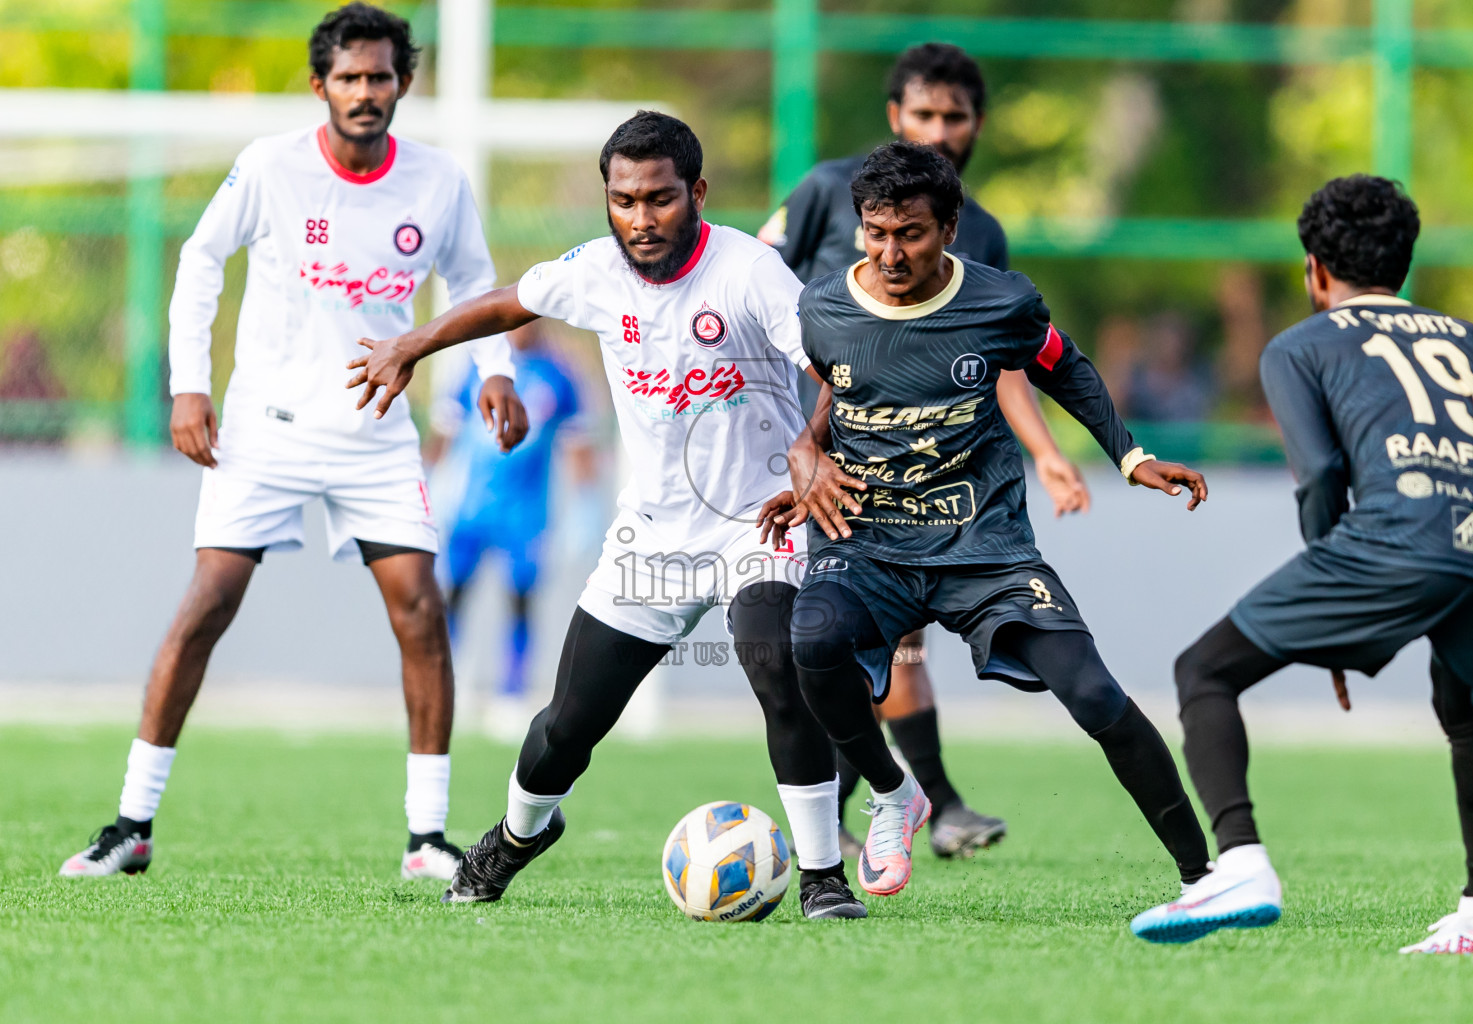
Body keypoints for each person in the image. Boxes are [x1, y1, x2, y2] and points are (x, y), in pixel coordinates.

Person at [348, 111, 867, 919]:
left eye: (659, 199)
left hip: (758, 521)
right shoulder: (596, 271)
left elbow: (839, 363)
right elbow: (504, 305)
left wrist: (809, 443)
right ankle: (517, 838)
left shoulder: (750, 272)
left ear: (695, 192)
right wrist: (413, 345)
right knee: (567, 726)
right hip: (652, 536)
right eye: (622, 200)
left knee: (775, 662)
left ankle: (824, 874)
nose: (640, 218)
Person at [58, 3, 525, 884]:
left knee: (421, 610)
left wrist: (493, 370)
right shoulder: (271, 167)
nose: (364, 92)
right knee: (206, 607)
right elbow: (201, 261)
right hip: (266, 429)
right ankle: (131, 825)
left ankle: (427, 838)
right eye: (348, 77)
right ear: (320, 86)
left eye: (379, 76)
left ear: (403, 84)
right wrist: (187, 385)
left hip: (376, 435)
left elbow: (472, 282)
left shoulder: (436, 181)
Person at [762, 141, 1213, 899]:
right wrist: (806, 454)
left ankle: (1207, 876)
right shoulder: (823, 307)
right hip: (869, 541)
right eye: (876, 233)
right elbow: (836, 386)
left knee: (1096, 695)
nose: (891, 252)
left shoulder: (1000, 302)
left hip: (985, 546)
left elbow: (1062, 363)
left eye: (911, 233)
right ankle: (895, 792)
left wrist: (1130, 458)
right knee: (809, 638)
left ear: (951, 225)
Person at [1132, 175, 1473, 955]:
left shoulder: (1300, 346)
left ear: (1315, 268)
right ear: (1404, 265)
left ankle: (1242, 863)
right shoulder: (1468, 337)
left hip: (1394, 539)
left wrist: (1334, 584)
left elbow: (1319, 475)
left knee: (1203, 672)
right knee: (1465, 705)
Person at [760, 42, 1090, 859]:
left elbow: (1000, 357)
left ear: (977, 124)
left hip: (930, 463)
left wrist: (1045, 450)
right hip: (829, 458)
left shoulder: (979, 231)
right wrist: (784, 431)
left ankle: (890, 811)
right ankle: (925, 805)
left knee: (878, 648)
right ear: (893, 118)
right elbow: (753, 286)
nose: (939, 130)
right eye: (924, 114)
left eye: (955, 116)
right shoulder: (826, 192)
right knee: (848, 645)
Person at [430, 326, 589, 733]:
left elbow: (580, 444)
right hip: (471, 507)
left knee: (520, 601)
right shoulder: (477, 368)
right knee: (453, 596)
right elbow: (443, 432)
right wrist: (425, 484)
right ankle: (447, 686)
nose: (520, 328)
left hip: (527, 514)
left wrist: (586, 507)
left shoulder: (559, 375)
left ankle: (511, 694)